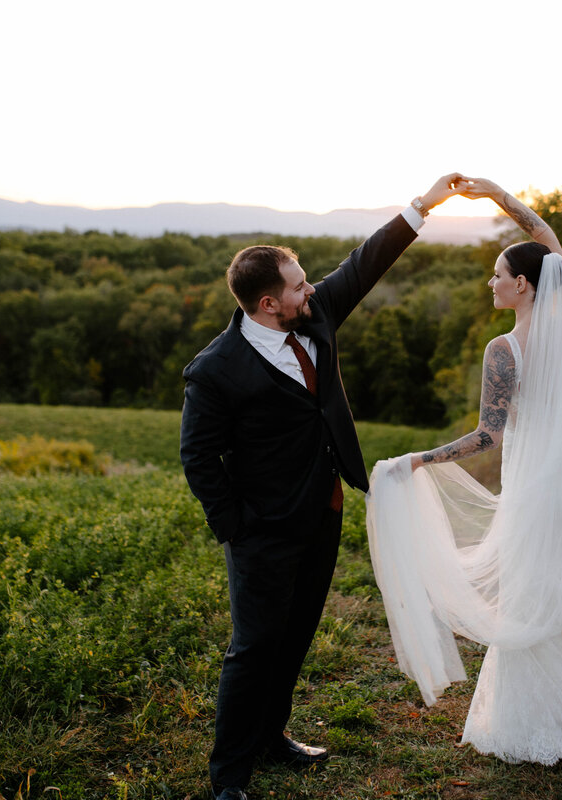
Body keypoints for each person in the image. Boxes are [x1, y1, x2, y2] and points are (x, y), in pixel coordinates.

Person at [179, 174, 466, 800]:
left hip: (323, 514)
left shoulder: (316, 312)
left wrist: (422, 207)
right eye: (298, 283)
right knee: (253, 648)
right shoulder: (215, 371)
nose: (311, 287)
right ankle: (229, 777)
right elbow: (197, 457)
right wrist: (236, 527)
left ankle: (271, 736)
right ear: (266, 306)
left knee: (297, 634)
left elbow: (363, 263)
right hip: (261, 532)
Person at [366, 177, 562, 764]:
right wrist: (496, 194)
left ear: (522, 287)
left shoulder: (505, 350)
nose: (489, 281)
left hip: (540, 481)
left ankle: (541, 719)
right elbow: (547, 240)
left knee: (532, 591)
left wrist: (417, 461)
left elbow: (487, 436)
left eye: (498, 274)